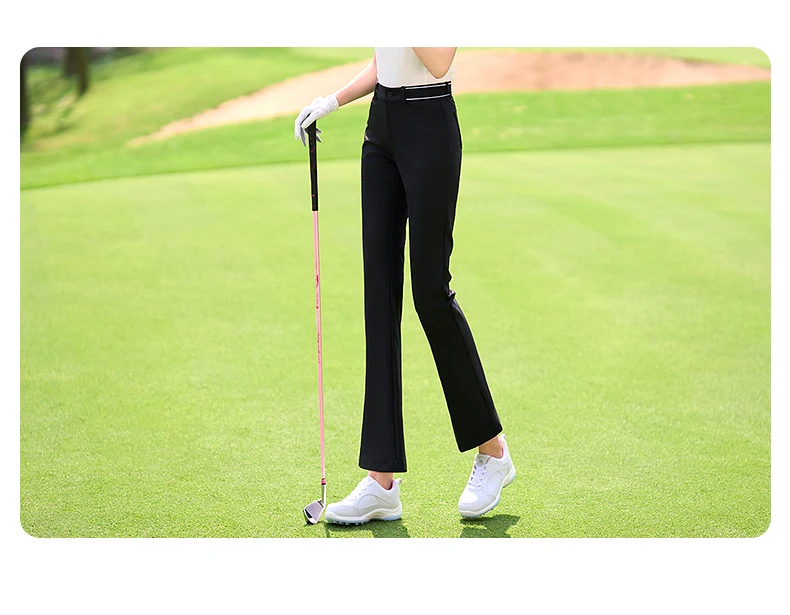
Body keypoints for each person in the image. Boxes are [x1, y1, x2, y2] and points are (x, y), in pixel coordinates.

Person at [294, 47, 515, 525]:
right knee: (378, 297)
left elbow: (437, 62)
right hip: (382, 128)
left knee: (430, 293)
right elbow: (386, 62)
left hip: (429, 122)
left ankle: (493, 451)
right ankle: (381, 481)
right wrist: (332, 100)